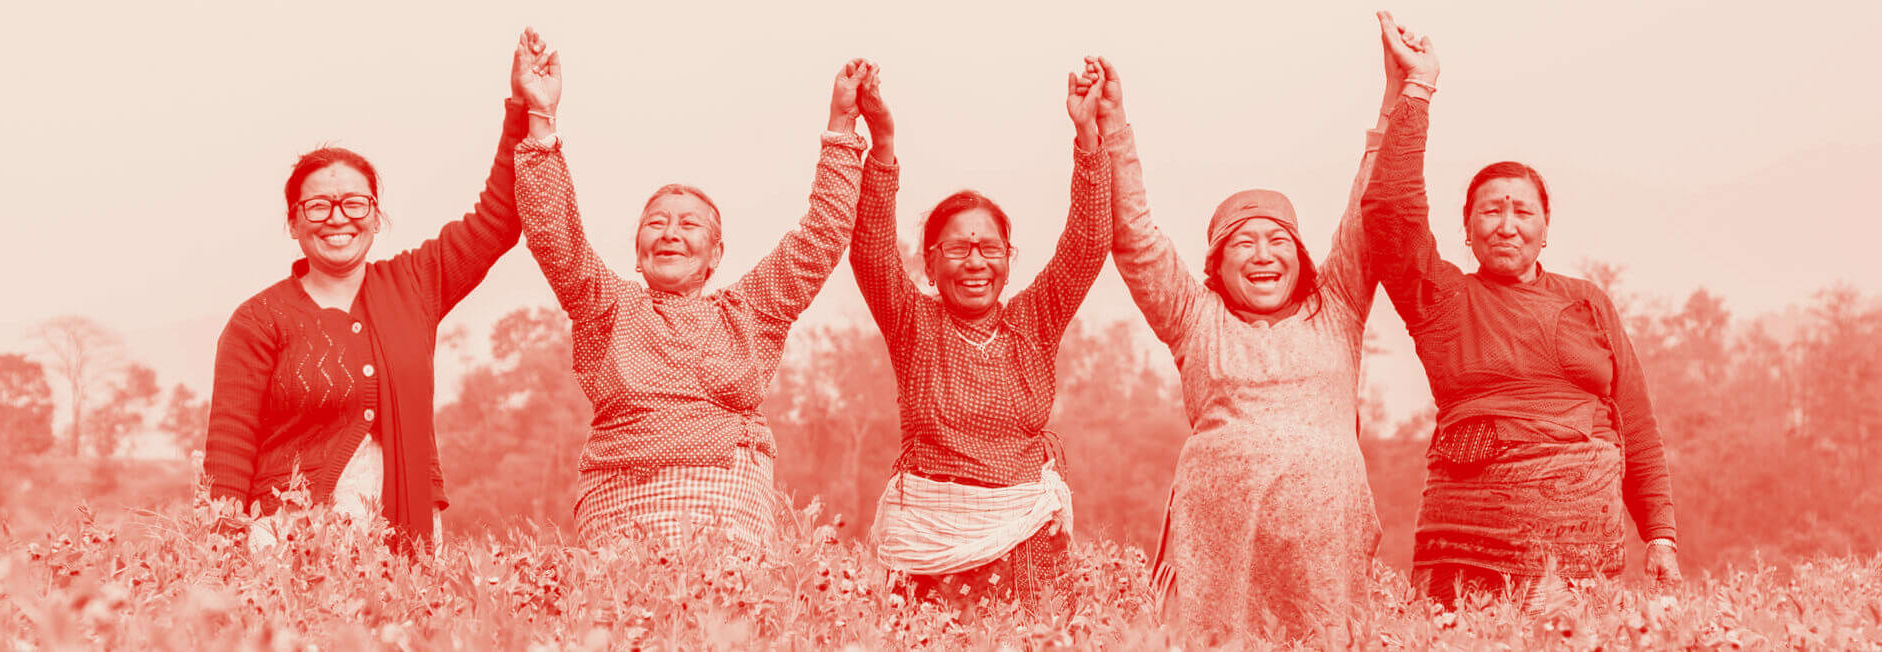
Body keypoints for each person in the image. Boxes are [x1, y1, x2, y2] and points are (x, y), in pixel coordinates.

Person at [1358, 12, 1682, 608]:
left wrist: (1659, 534)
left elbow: (1635, 421)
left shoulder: (1587, 302)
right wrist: (1416, 92)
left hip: (1586, 554)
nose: (1506, 225)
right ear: (1467, 228)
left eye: (1522, 211)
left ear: (1545, 227)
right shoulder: (1444, 299)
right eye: (1490, 210)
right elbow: (1388, 212)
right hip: (1465, 552)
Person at [1095, 18, 1399, 640]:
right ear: (1217, 263)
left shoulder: (1336, 309)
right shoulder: (1194, 318)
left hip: (1324, 557)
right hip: (1217, 553)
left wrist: (1397, 96)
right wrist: (1112, 127)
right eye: (1244, 242)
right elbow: (1133, 236)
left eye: (1277, 239)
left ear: (1302, 256)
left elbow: (1369, 207)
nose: (1263, 254)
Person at [511, 52, 874, 550]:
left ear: (715, 254)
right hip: (619, 503)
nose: (671, 235)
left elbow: (821, 235)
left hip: (729, 506)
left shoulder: (749, 313)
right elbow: (556, 235)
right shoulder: (608, 307)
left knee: (721, 621)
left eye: (689, 224)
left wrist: (841, 123)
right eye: (656, 223)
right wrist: (541, 117)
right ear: (637, 252)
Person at [204, 29, 546, 551]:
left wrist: (525, 109)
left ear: (376, 215)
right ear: (293, 223)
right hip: (286, 543)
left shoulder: (414, 283)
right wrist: (220, 558)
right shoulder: (258, 320)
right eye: (318, 206)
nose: (337, 219)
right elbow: (228, 452)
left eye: (354, 204)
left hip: (402, 536)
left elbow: (498, 219)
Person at [854, 61, 1110, 611]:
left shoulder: (1033, 321)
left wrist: (1087, 138)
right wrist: (882, 143)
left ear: (1008, 260)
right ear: (929, 262)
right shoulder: (913, 324)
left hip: (1024, 544)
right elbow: (871, 252)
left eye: (989, 248)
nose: (975, 262)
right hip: (926, 544)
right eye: (958, 248)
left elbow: (1087, 247)